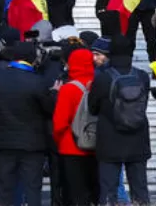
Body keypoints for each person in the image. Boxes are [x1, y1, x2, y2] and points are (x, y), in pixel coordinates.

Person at [0, 40, 54, 206]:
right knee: (32, 186)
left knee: (3, 186)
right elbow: (49, 109)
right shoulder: (37, 81)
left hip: (3, 141)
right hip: (33, 143)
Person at [87, 35, 151, 205]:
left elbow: (92, 108)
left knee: (108, 189)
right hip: (138, 137)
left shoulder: (103, 78)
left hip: (110, 138)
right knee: (140, 188)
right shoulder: (142, 76)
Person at [53, 47, 98, 206]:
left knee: (75, 194)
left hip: (70, 147)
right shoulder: (98, 85)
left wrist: (59, 140)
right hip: (95, 145)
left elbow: (59, 123)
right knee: (94, 193)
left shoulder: (68, 88)